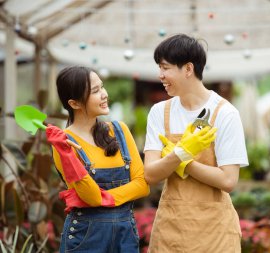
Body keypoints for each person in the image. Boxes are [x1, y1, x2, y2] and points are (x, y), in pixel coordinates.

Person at [144, 34, 249, 252]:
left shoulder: (224, 113)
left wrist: (182, 160)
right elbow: (151, 175)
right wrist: (181, 154)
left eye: (165, 68)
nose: (160, 75)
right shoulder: (159, 113)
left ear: (188, 69)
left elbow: (228, 180)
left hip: (215, 233)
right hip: (171, 229)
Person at [45, 66, 149, 253]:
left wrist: (106, 197)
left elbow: (142, 184)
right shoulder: (64, 143)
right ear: (74, 103)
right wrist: (67, 154)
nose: (104, 94)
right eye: (95, 91)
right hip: (85, 237)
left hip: (125, 236)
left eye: (102, 87)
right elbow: (91, 197)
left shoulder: (120, 131)